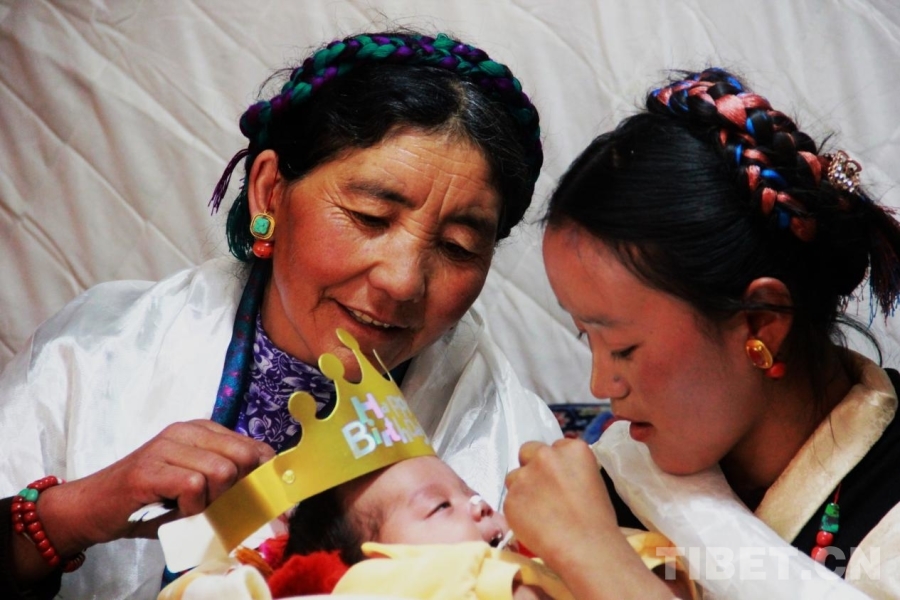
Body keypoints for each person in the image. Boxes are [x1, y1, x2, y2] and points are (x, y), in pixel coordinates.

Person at [0, 30, 561, 599]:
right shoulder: (95, 352)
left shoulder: (513, 440)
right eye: (370, 217)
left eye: (459, 247)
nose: (402, 281)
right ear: (269, 192)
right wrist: (74, 512)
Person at [503, 67, 900, 598]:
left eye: (623, 348)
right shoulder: (609, 482)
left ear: (761, 321)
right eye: (585, 338)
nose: (600, 385)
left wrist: (595, 557)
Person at [157, 454, 697, 600]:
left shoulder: (539, 550)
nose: (480, 504)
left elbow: (668, 572)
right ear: (374, 555)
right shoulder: (377, 582)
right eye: (440, 507)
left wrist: (590, 541)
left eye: (469, 491)